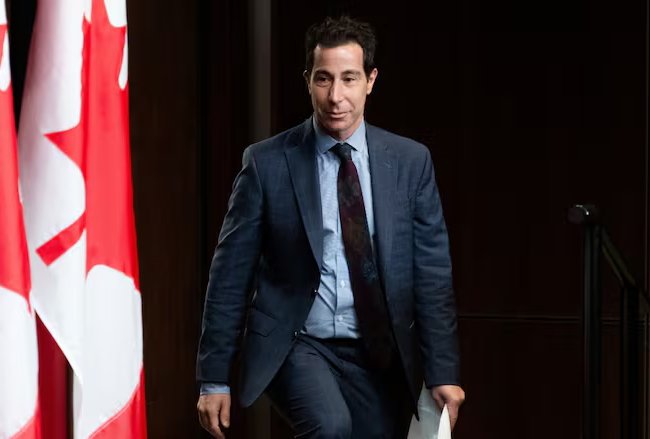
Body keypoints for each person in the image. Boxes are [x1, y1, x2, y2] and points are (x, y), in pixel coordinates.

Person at [196, 15, 465, 439]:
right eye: (323, 79)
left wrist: (443, 371)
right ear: (308, 80)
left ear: (370, 81)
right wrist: (214, 378)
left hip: (378, 350)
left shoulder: (410, 163)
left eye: (349, 79)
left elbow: (432, 275)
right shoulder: (266, 164)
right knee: (329, 427)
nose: (335, 96)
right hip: (298, 342)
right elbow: (229, 275)